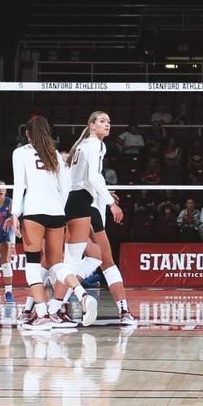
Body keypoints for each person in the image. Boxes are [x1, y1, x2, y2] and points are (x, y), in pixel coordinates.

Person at [64, 111, 135, 324]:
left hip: (76, 203)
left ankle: (56, 306)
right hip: (86, 207)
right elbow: (93, 177)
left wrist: (103, 193)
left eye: (109, 122)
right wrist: (111, 203)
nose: (107, 125)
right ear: (92, 125)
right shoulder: (95, 144)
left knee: (87, 260)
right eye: (102, 121)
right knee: (104, 261)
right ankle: (124, 312)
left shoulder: (83, 144)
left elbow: (84, 179)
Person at [9, 115, 78, 331]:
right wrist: (60, 207)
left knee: (32, 263)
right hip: (57, 212)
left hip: (34, 212)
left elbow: (19, 185)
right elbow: (66, 188)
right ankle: (81, 294)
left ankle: (41, 315)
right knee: (56, 264)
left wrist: (15, 213)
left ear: (27, 133)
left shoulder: (20, 153)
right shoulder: (54, 153)